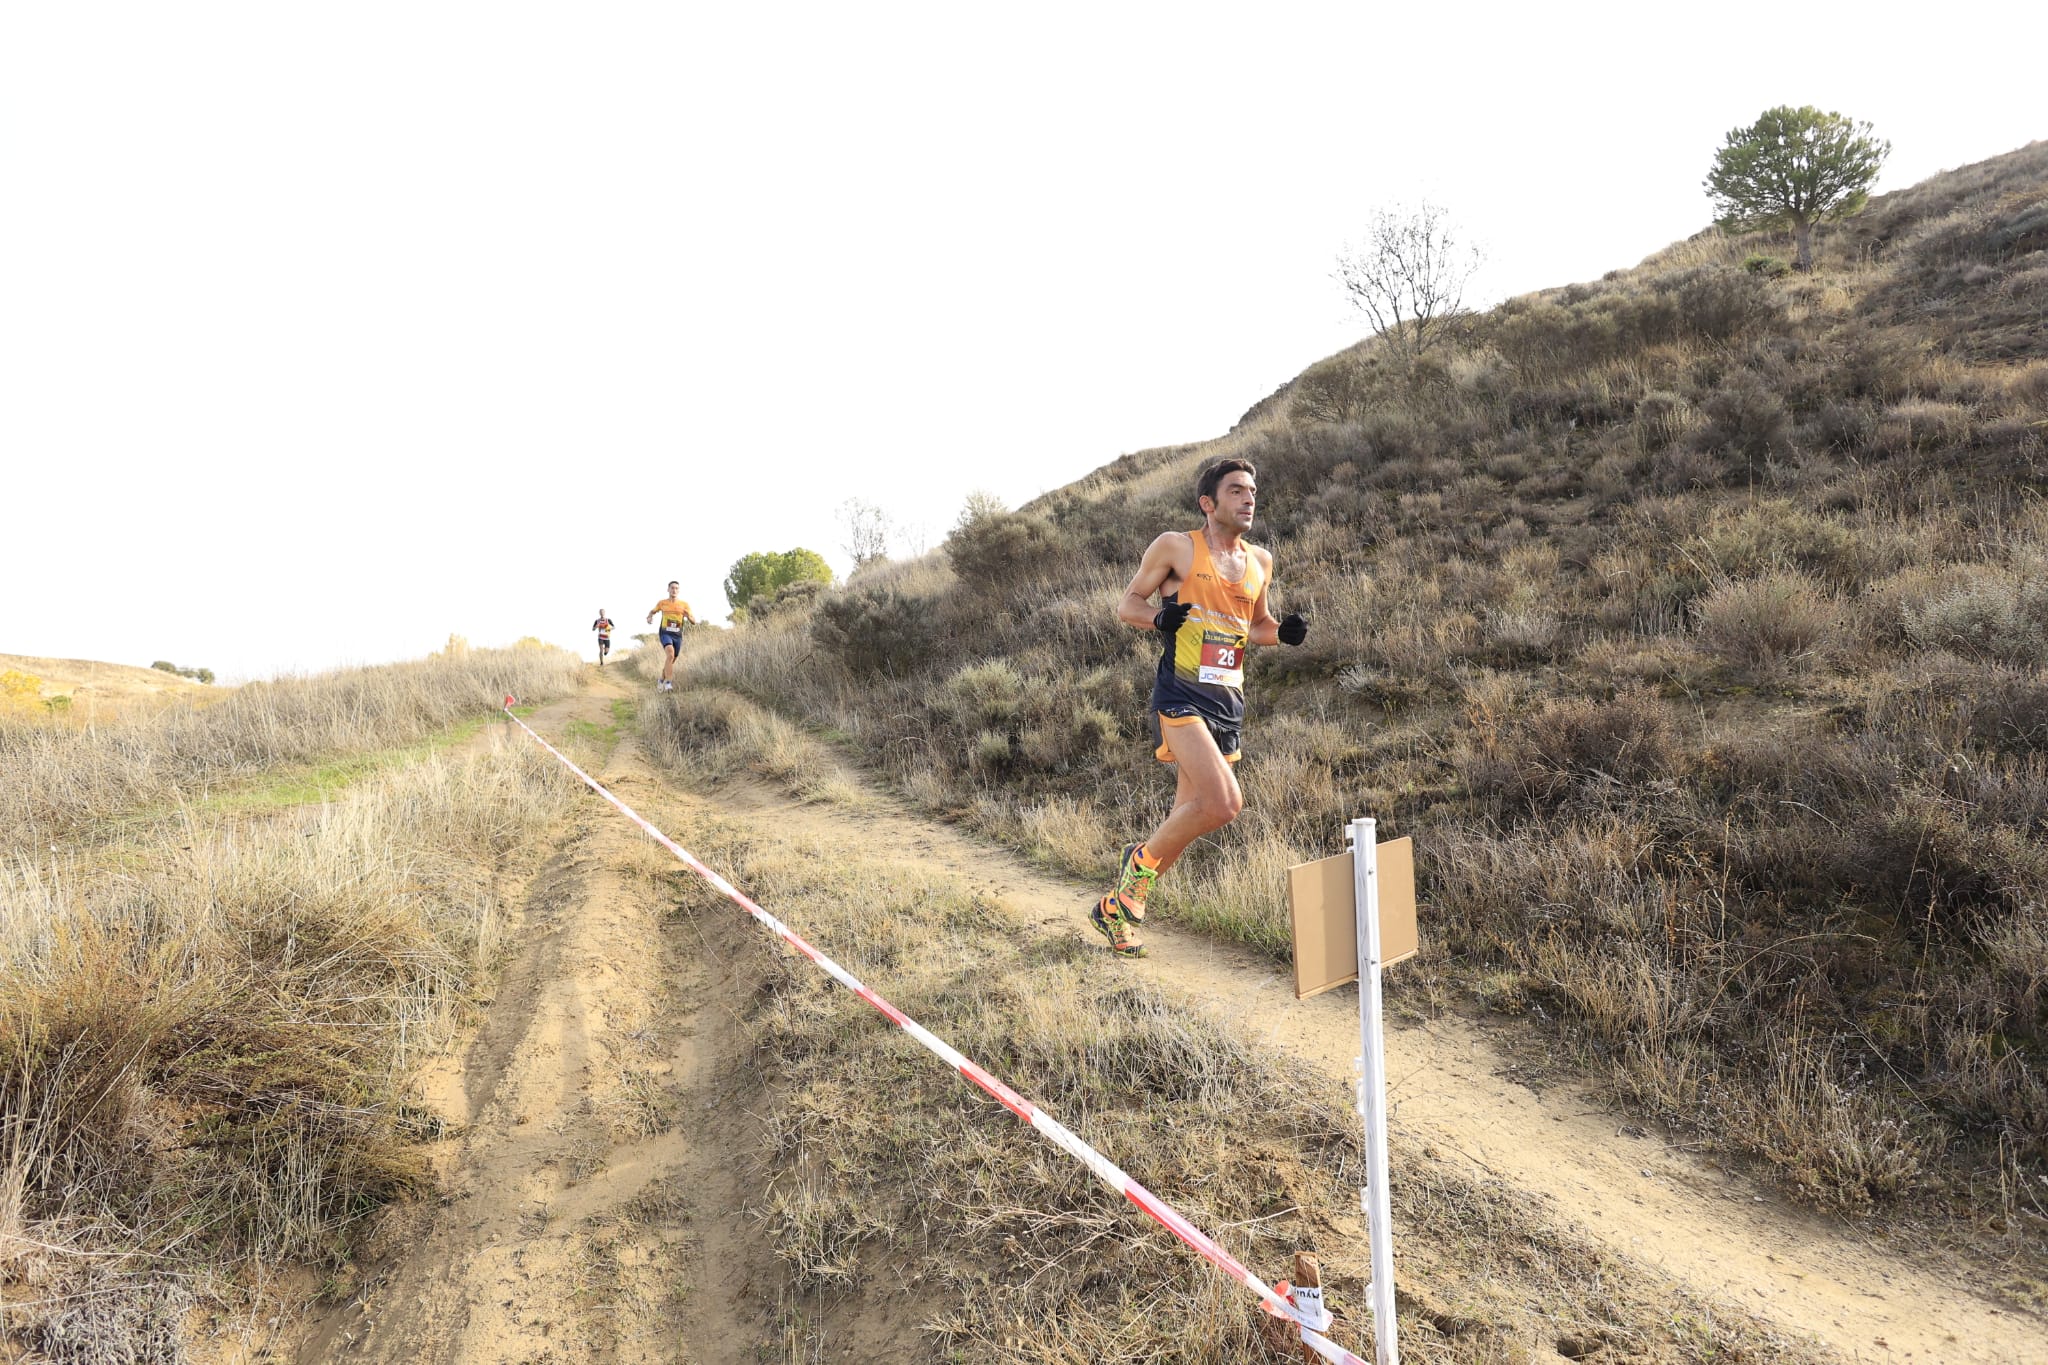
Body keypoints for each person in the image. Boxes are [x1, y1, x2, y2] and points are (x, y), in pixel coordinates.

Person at [1090, 458, 1309, 958]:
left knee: (1185, 819)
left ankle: (1117, 908)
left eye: (1252, 490)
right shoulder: (1177, 547)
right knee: (1224, 803)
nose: (1248, 498)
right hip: (1181, 695)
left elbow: (1255, 627)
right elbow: (1129, 605)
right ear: (1208, 504)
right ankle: (1136, 867)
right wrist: (1160, 618)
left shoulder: (1261, 561)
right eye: (1235, 490)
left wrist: (1283, 634)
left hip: (1228, 701)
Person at [645, 581, 695, 692]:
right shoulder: (662, 603)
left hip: (677, 635)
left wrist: (688, 616)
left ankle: (661, 679)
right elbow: (652, 611)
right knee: (670, 654)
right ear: (668, 589)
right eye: (672, 588)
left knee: (671, 659)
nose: (674, 590)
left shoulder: (684, 605)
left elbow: (693, 621)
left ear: (679, 591)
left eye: (676, 588)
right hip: (665, 633)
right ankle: (668, 683)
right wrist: (649, 617)